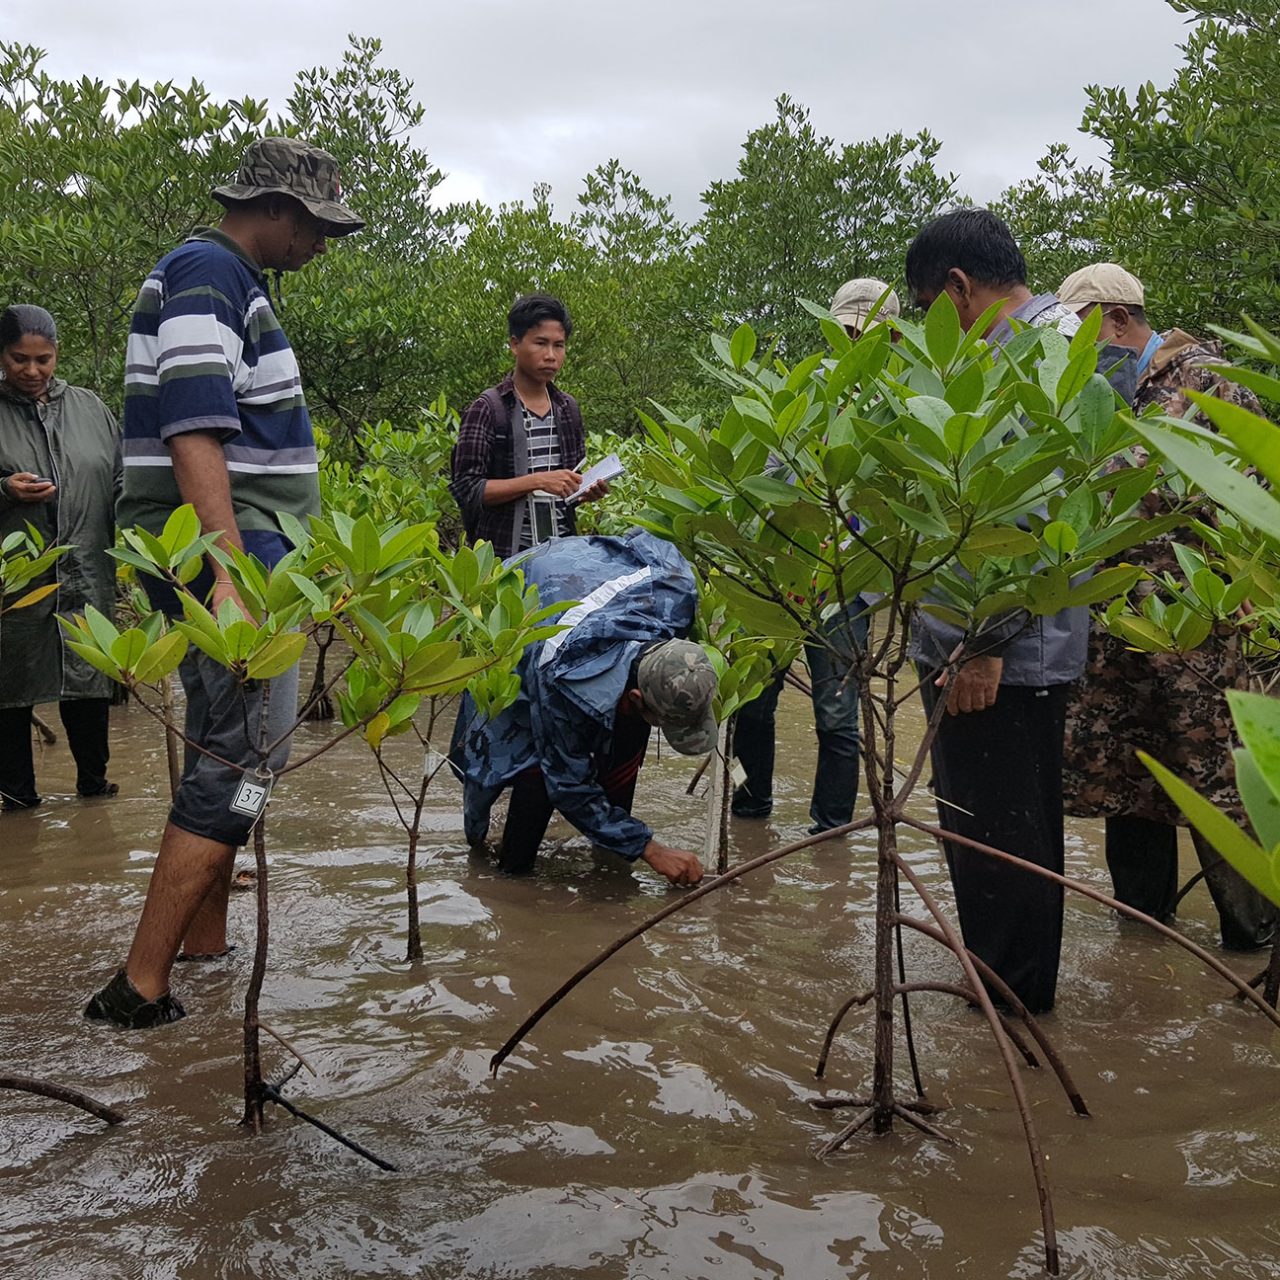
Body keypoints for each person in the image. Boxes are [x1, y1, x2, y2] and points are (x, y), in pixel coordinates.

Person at [84, 138, 363, 1029]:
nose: (321, 244)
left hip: (240, 555)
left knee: (225, 747)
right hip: (231, 560)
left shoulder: (224, 281)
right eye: (316, 225)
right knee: (246, 758)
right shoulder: (210, 270)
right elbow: (194, 427)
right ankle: (139, 985)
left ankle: (201, 944)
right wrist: (230, 572)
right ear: (276, 209)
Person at [903, 208, 1112, 1013]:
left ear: (957, 288)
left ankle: (1011, 1010)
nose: (926, 329)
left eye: (926, 308)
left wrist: (984, 643)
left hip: (998, 655)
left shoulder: (1030, 358)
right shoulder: (1050, 346)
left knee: (999, 845)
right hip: (1003, 646)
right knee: (1003, 836)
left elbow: (1030, 515)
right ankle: (1009, 995)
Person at [1057, 261, 1276, 950]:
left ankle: (1253, 954)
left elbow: (1237, 507)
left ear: (1118, 320)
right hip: (1128, 649)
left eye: (1082, 336)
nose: (1075, 355)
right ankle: (1144, 947)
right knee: (1132, 785)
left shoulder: (1214, 384)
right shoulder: (1111, 395)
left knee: (1223, 795)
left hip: (1204, 651)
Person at [454, 529, 714, 887]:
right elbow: (568, 785)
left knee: (624, 740)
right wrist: (653, 851)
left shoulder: (678, 590)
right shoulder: (561, 677)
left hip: (585, 581)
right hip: (522, 604)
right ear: (636, 697)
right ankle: (509, 880)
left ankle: (610, 862)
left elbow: (641, 538)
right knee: (533, 764)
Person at [730, 279, 893, 834]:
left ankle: (831, 835)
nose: (853, 340)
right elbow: (766, 480)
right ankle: (750, 817)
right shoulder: (801, 393)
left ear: (894, 336)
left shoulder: (905, 401)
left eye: (866, 331)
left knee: (838, 719)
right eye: (844, 329)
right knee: (752, 704)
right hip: (786, 574)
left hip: (850, 585)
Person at [0, 304, 121, 810]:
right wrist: (4, 488)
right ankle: (17, 800)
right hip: (14, 582)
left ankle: (95, 791)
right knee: (9, 687)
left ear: (57, 354)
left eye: (43, 359)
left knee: (89, 680)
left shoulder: (91, 407)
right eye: (18, 359)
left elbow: (120, 480)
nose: (32, 371)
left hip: (86, 571)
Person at [449, 293, 607, 558]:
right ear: (514, 344)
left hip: (562, 554)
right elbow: (468, 489)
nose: (551, 355)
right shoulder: (488, 408)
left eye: (559, 345)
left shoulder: (567, 409)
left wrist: (585, 491)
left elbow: (567, 487)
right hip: (505, 556)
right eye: (540, 343)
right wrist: (537, 481)